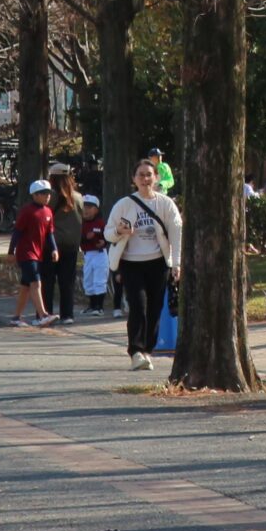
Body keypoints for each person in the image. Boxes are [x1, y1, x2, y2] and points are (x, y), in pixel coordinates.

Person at [106, 157, 182, 371]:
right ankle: (136, 351)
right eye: (141, 175)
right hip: (131, 264)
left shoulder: (165, 204)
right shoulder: (124, 205)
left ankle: (148, 350)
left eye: (149, 174)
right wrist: (119, 232)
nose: (145, 179)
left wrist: (176, 264)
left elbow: (176, 233)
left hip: (158, 264)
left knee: (155, 309)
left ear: (156, 177)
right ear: (134, 179)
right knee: (138, 306)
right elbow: (108, 232)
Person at [11, 180, 57, 327]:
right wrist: (11, 251)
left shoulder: (49, 211)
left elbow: (50, 233)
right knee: (36, 282)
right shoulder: (27, 211)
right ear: (34, 195)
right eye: (43, 194)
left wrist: (54, 249)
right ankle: (43, 314)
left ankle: (16, 317)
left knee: (25, 286)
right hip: (26, 253)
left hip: (39, 253)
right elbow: (17, 231)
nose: (47, 196)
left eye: (48, 194)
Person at [44, 167, 85, 325]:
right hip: (72, 244)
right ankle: (67, 314)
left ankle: (46, 313)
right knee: (67, 281)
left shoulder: (51, 197)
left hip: (52, 244)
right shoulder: (79, 197)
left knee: (47, 281)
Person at [78, 195, 112, 313]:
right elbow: (77, 239)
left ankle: (99, 307)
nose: (86, 210)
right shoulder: (80, 223)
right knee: (88, 280)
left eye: (89, 207)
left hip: (100, 254)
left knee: (99, 280)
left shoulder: (101, 223)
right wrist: (85, 238)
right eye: (84, 207)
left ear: (96, 209)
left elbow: (109, 236)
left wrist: (104, 242)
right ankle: (92, 305)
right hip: (87, 255)